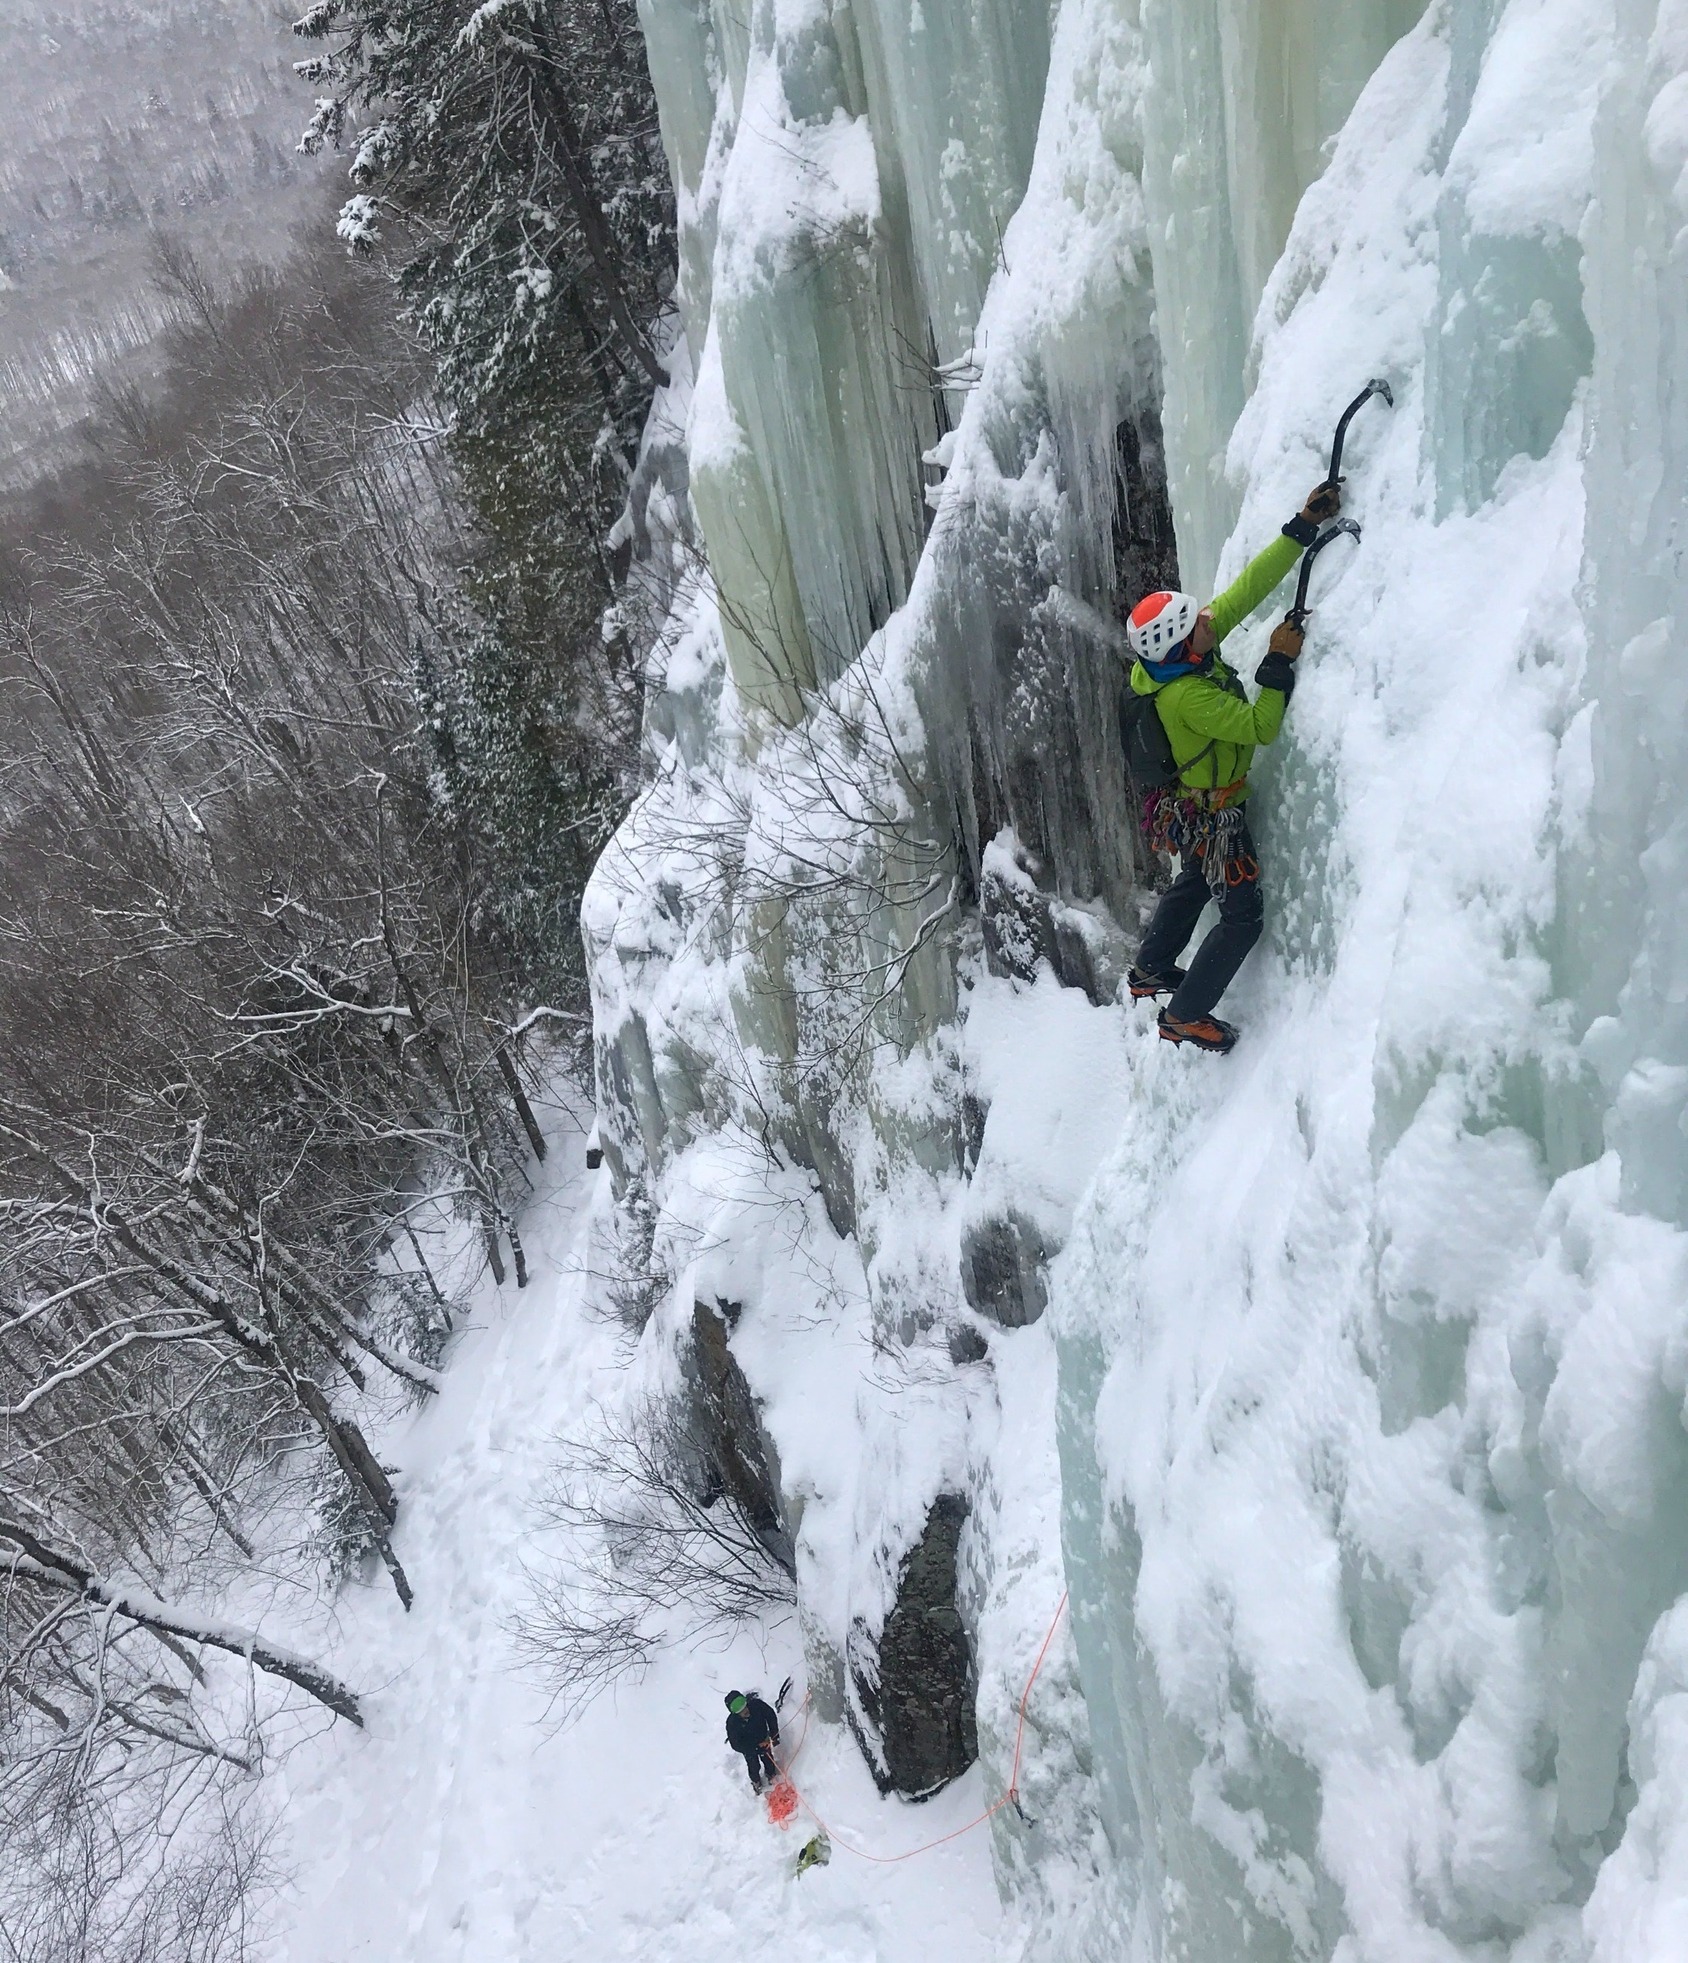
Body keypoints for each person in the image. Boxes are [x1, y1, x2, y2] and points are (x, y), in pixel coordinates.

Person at [1122, 481, 1343, 1054]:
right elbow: (1259, 726)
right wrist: (1277, 661)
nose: (1207, 619)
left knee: (1194, 878)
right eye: (1195, 620)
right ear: (1178, 643)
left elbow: (1247, 589)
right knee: (1242, 919)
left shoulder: (1176, 658)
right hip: (1216, 814)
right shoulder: (1186, 697)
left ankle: (1151, 968)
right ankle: (1186, 1015)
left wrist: (1302, 525)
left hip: (1192, 804)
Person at [724, 1689, 780, 1793]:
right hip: (749, 1748)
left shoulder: (757, 1705)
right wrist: (754, 1748)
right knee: (753, 1765)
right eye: (739, 1709)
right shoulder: (732, 1723)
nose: (744, 1710)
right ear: (734, 1713)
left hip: (763, 1739)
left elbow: (770, 1716)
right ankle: (756, 1781)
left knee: (768, 1759)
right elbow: (736, 1744)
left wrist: (774, 1735)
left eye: (744, 1705)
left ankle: (771, 1774)